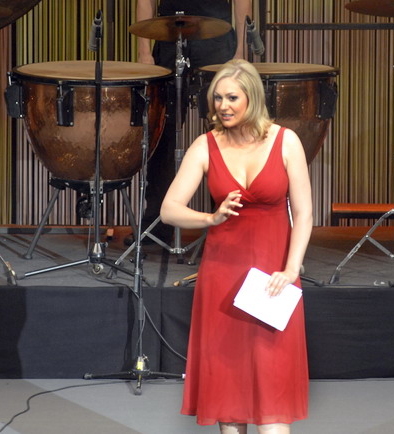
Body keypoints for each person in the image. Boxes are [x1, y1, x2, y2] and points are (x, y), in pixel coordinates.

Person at [161, 59, 312, 433]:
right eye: (218, 98)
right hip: (222, 276)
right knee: (229, 396)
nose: (223, 106)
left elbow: (304, 213)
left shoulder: (285, 141)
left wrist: (291, 268)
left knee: (274, 396)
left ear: (252, 99)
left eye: (232, 98)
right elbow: (169, 210)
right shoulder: (205, 145)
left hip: (274, 276)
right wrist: (210, 219)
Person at [133, 0, 251, 244]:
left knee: (226, 135)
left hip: (217, 39)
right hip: (168, 37)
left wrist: (242, 48)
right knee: (162, 134)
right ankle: (157, 223)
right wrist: (144, 51)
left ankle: (228, 224)